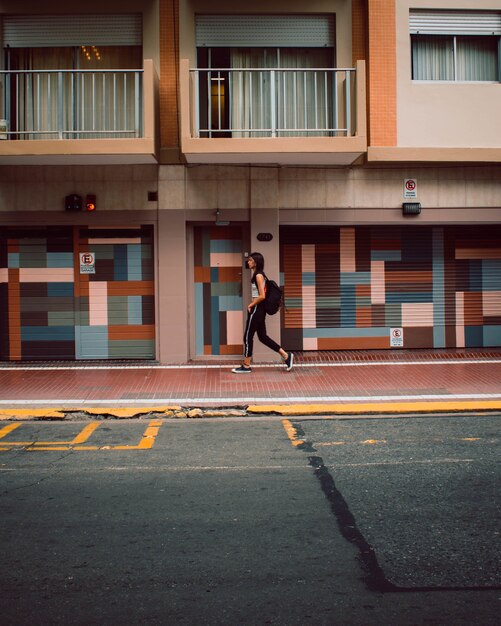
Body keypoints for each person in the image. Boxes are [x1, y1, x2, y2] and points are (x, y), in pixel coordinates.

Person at [232, 252, 294, 373]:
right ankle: (286, 356)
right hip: (259, 310)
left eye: (250, 260)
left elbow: (262, 296)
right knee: (263, 337)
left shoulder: (258, 275)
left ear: (255, 262)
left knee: (247, 337)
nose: (248, 262)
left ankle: (246, 365)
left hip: (257, 309)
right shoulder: (260, 275)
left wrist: (251, 304)